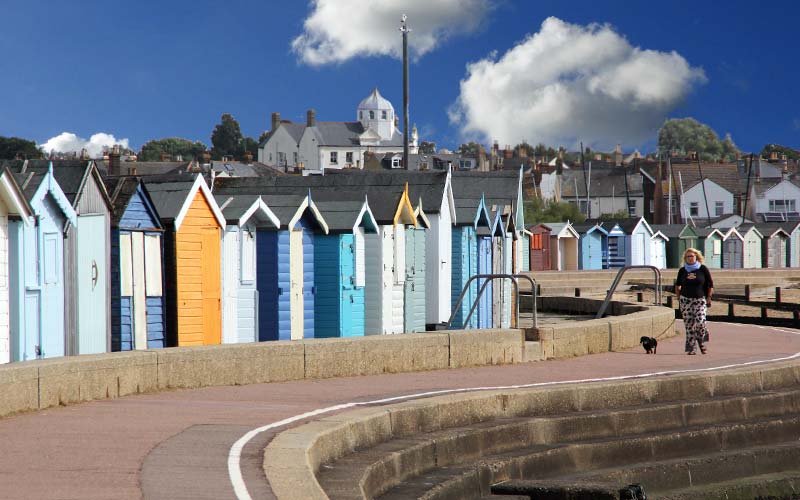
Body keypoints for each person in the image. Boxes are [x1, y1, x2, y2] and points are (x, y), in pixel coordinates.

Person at [675, 248, 714, 355]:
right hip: (686, 300)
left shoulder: (702, 269)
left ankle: (701, 341)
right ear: (685, 258)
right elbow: (677, 285)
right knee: (689, 325)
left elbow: (710, 284)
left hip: (700, 300)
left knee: (700, 322)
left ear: (696, 257)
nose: (690, 258)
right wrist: (679, 297)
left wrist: (709, 297)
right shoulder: (682, 271)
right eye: (688, 257)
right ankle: (691, 348)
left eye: (692, 256)